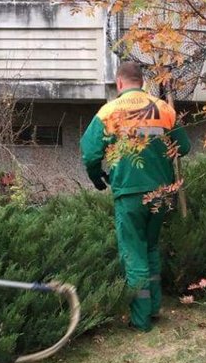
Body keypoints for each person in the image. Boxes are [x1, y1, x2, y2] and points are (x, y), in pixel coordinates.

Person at [80, 60, 191, 331]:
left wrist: (98, 180)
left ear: (119, 83)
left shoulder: (109, 112)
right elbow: (184, 147)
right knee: (150, 248)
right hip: (161, 193)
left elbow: (90, 154)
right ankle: (153, 308)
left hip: (129, 194)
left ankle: (140, 320)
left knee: (134, 256)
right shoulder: (163, 109)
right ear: (142, 82)